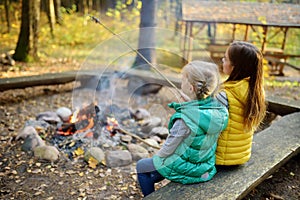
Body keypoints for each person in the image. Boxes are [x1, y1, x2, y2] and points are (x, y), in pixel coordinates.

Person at [136, 60, 229, 197]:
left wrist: (157, 157)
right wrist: (190, 103)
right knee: (158, 167)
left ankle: (150, 197)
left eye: (183, 79)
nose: (181, 82)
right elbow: (199, 109)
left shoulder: (184, 120)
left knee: (142, 166)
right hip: (205, 167)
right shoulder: (218, 109)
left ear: (191, 88)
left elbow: (166, 151)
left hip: (189, 170)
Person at [215, 41, 267, 166]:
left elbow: (212, 127)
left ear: (235, 66)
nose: (222, 60)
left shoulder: (224, 95)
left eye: (226, 59)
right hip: (241, 156)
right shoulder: (255, 91)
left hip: (221, 159)